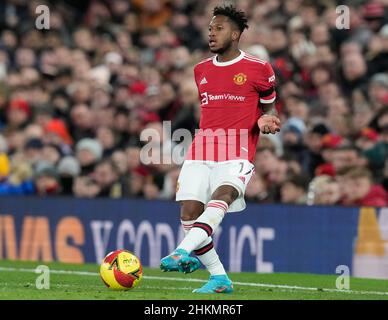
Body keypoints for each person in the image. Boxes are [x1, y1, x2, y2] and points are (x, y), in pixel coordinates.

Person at [160, 5, 281, 294]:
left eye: (219, 28)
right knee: (189, 213)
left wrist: (266, 118)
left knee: (223, 196)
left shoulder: (259, 68)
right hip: (202, 150)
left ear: (236, 34)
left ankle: (180, 252)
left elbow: (269, 105)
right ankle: (219, 278)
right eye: (210, 29)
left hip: (237, 151)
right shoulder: (200, 69)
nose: (212, 34)